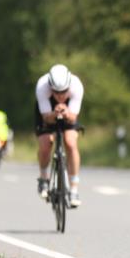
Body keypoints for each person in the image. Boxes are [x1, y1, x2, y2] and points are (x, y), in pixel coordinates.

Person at [34, 64, 84, 207]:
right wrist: (55, 114)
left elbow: (73, 118)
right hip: (48, 111)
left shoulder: (76, 86)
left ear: (69, 86)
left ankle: (74, 189)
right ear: (50, 87)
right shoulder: (42, 87)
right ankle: (44, 178)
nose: (60, 95)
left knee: (70, 142)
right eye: (56, 92)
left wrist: (66, 113)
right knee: (45, 143)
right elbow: (45, 118)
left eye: (64, 92)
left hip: (69, 110)